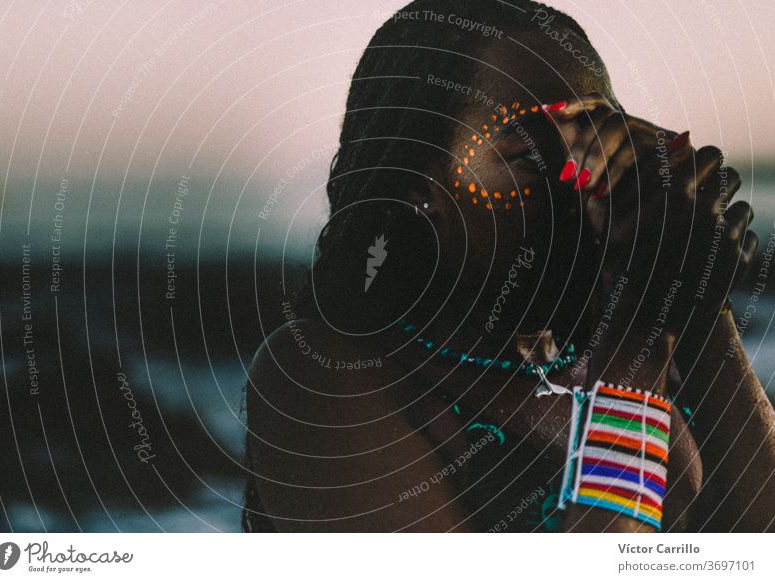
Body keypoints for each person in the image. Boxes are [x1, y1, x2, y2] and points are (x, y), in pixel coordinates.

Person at [242, 0, 775, 532]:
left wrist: (696, 294)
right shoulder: (317, 378)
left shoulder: (607, 357)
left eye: (600, 139)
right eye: (528, 156)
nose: (580, 181)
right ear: (418, 192)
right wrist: (639, 325)